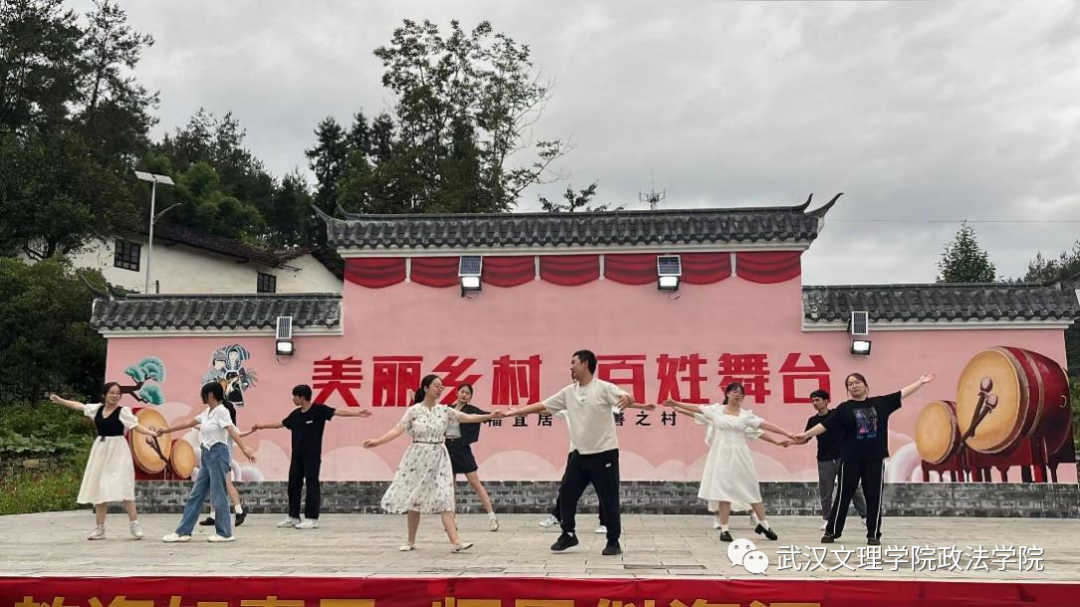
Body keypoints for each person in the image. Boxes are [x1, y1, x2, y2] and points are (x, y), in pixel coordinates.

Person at [505, 350, 632, 556]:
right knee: (566, 493)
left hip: (604, 453)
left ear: (585, 363)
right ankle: (568, 533)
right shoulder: (568, 392)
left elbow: (625, 397)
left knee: (608, 498)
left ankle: (613, 541)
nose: (570, 367)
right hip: (579, 455)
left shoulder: (604, 388)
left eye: (573, 362)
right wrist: (516, 412)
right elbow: (543, 405)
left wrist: (627, 398)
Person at [363, 374, 501, 552]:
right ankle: (410, 541)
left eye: (442, 386)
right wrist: (377, 442)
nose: (440, 389)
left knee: (445, 496)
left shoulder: (445, 410)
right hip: (417, 457)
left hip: (439, 457)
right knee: (415, 499)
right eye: (437, 385)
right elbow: (398, 429)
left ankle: (456, 541)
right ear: (426, 388)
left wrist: (490, 415)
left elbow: (467, 417)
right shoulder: (414, 411)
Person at [796, 372, 934, 545]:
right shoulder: (844, 408)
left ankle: (873, 534)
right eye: (850, 384)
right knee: (843, 496)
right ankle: (831, 532)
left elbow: (901, 393)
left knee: (874, 497)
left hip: (874, 459)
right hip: (850, 459)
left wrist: (920, 382)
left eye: (857, 382)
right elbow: (825, 425)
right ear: (848, 389)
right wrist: (805, 435)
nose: (854, 386)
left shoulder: (880, 403)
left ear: (865, 385)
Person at [664, 382, 796, 542]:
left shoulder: (746, 416)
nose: (738, 394)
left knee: (752, 488)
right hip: (721, 455)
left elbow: (763, 426)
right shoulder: (716, 411)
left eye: (741, 392)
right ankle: (724, 529)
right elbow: (697, 409)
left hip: (741, 454)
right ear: (727, 393)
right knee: (723, 490)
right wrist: (676, 403)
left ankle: (764, 525)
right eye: (734, 391)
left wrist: (786, 434)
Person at [243, 384, 372, 529]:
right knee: (293, 485)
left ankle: (312, 518)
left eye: (295, 396)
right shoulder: (295, 414)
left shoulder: (319, 410)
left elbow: (337, 411)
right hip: (297, 456)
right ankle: (293, 517)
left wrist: (357, 413)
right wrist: (261, 426)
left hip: (312, 456)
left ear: (302, 397)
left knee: (312, 484)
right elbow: (281, 424)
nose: (293, 399)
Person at [49, 384, 158, 540]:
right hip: (100, 450)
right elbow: (79, 406)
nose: (115, 396)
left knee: (125, 486)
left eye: (118, 393)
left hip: (118, 450)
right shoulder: (97, 409)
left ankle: (134, 524)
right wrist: (61, 401)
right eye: (112, 393)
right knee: (99, 488)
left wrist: (151, 433)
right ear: (104, 395)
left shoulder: (123, 412)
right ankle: (100, 529)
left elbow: (135, 426)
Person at [158, 382, 257, 543]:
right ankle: (183, 532)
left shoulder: (221, 411)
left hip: (218, 454)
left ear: (210, 395)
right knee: (196, 494)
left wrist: (244, 448)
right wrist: (166, 430)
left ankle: (225, 533)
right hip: (207, 455)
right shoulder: (208, 412)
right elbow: (189, 423)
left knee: (219, 494)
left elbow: (231, 430)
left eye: (203, 394)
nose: (202, 397)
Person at [538, 403, 655, 535]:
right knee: (567, 489)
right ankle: (559, 518)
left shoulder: (600, 404)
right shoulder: (571, 406)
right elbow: (547, 409)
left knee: (604, 490)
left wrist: (643, 406)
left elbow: (621, 403)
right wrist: (524, 412)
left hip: (601, 453)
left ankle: (605, 523)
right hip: (577, 453)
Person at [806, 389, 867, 531]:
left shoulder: (836, 415)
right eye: (813, 401)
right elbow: (805, 437)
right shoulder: (813, 421)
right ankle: (828, 519)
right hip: (824, 459)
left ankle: (865, 516)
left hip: (843, 457)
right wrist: (791, 440)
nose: (815, 403)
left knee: (854, 488)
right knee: (826, 492)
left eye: (817, 400)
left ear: (826, 401)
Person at [443, 383, 500, 532]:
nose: (464, 395)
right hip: (447, 448)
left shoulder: (472, 410)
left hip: (462, 449)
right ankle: (452, 520)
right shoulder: (446, 408)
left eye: (467, 393)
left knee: (475, 483)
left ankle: (492, 517)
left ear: (470, 397)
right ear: (456, 392)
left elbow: (487, 416)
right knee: (450, 486)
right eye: (462, 392)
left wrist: (501, 414)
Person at [198, 380, 245, 529]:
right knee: (215, 484)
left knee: (226, 483)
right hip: (213, 455)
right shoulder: (213, 416)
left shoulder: (224, 416)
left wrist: (245, 448)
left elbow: (236, 433)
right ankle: (213, 515)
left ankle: (239, 510)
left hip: (223, 456)